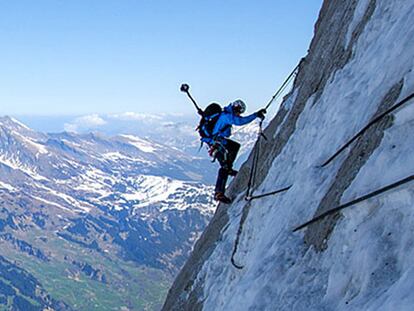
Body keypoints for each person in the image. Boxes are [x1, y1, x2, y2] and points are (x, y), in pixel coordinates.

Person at [206, 100, 266, 203]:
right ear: (237, 109)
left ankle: (228, 169)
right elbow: (240, 121)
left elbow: (238, 120)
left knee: (234, 147)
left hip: (219, 141)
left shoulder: (226, 114)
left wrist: (256, 114)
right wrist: (255, 115)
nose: (239, 114)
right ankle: (218, 193)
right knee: (224, 166)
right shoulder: (227, 116)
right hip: (217, 142)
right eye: (239, 112)